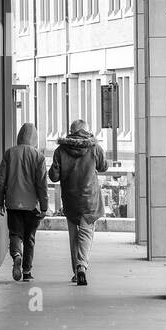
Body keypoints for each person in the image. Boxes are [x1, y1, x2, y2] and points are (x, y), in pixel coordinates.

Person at [49, 118, 107, 286]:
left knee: (74, 235)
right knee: (86, 233)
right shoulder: (94, 147)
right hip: (90, 200)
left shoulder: (60, 150)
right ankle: (81, 266)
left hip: (70, 199)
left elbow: (53, 176)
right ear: (86, 131)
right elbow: (103, 166)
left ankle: (76, 270)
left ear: (71, 131)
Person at [0, 122, 48, 281]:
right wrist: (44, 206)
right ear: (34, 138)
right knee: (29, 238)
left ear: (19, 136)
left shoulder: (9, 153)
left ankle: (16, 254)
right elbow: (42, 184)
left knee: (15, 234)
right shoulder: (38, 156)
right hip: (32, 205)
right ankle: (26, 272)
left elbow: (1, 180)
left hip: (13, 203)